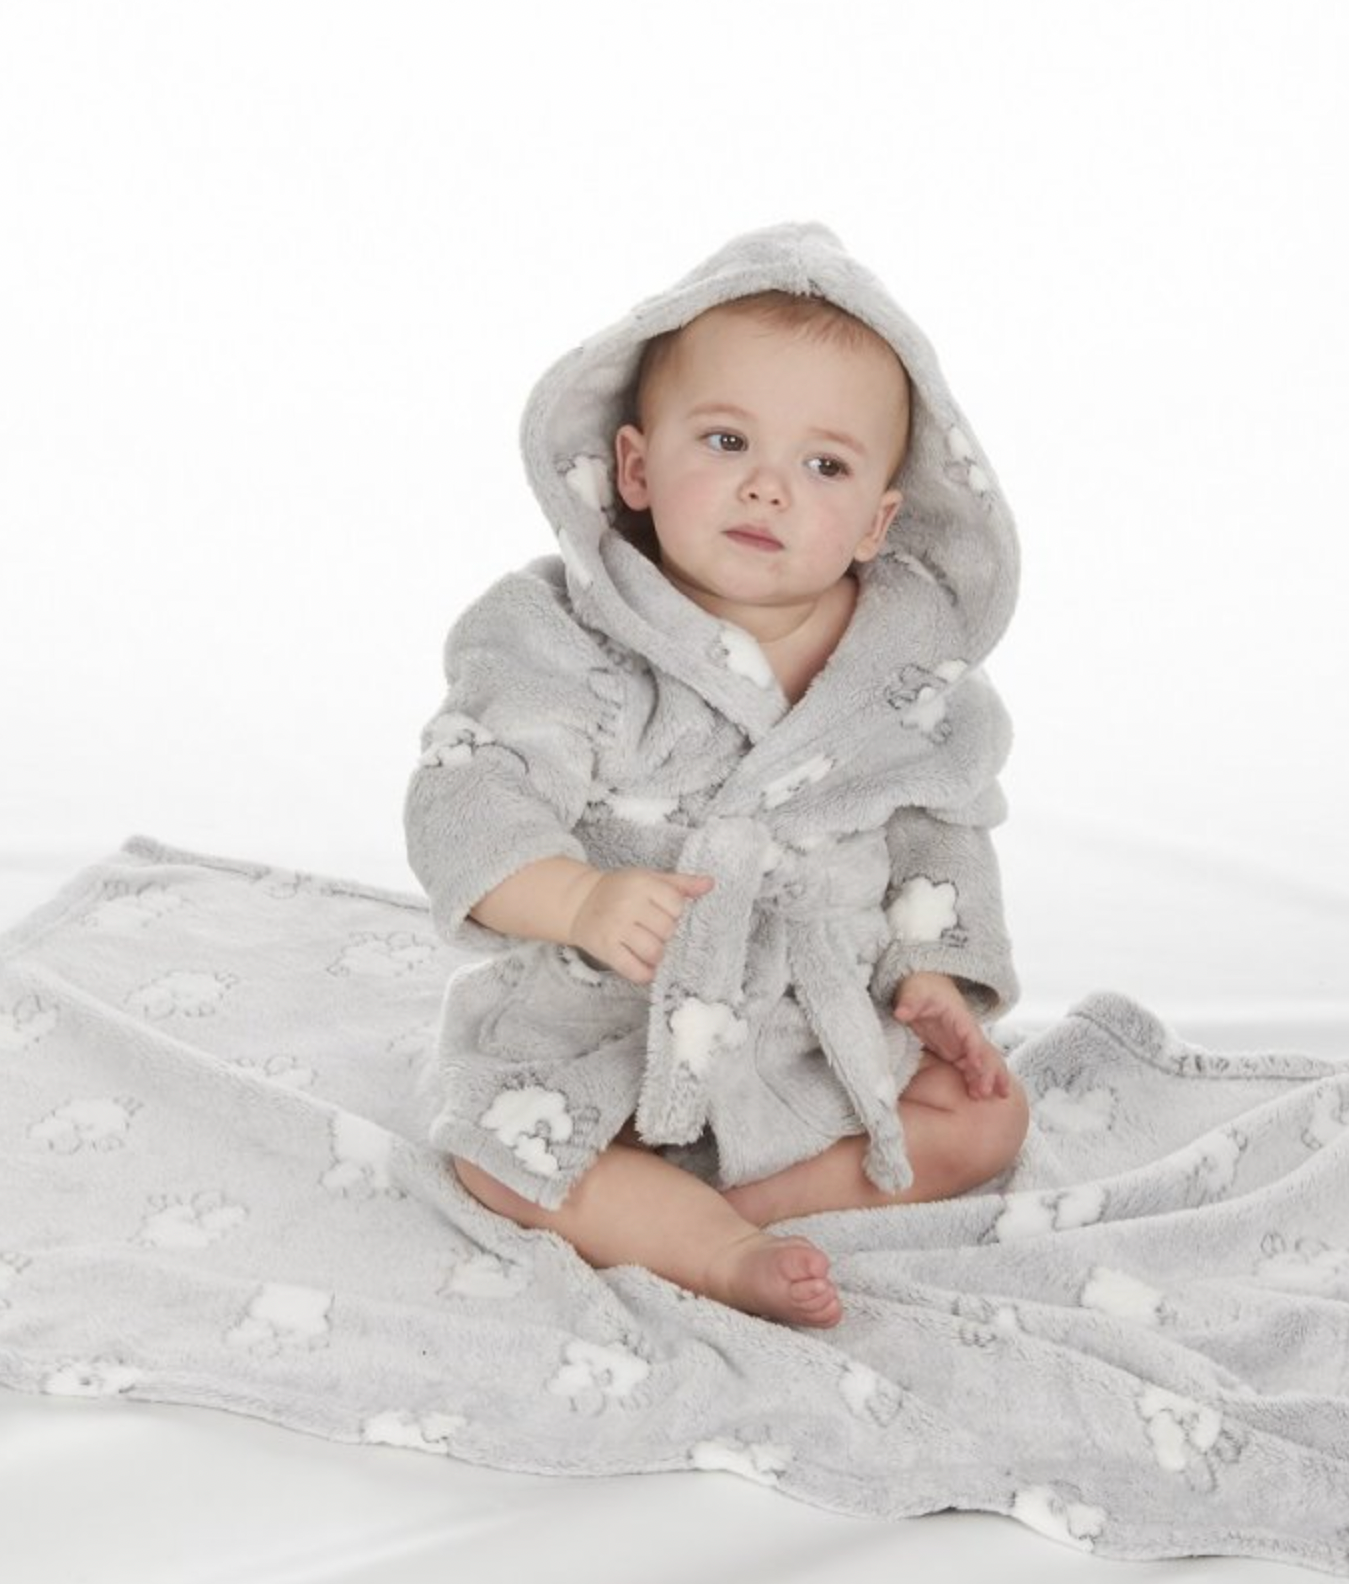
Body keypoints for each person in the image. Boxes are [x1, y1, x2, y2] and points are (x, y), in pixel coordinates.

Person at [405, 223, 1027, 1330]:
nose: (769, 488)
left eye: (825, 466)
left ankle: (735, 1207)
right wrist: (578, 900)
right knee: (500, 1155)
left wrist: (933, 975)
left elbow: (941, 831)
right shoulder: (558, 635)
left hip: (807, 1034)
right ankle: (720, 1251)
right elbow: (472, 791)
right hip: (605, 1021)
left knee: (988, 1119)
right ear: (637, 467)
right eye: (728, 440)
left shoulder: (906, 675)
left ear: (877, 520)